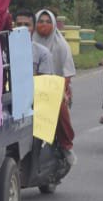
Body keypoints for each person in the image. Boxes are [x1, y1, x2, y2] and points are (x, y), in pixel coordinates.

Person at [33, 9, 77, 164]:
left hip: (56, 89)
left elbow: (67, 73)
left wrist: (60, 91)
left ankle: (66, 145)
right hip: (32, 88)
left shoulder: (61, 45)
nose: (44, 25)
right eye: (40, 21)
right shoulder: (28, 43)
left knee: (59, 107)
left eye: (47, 22)